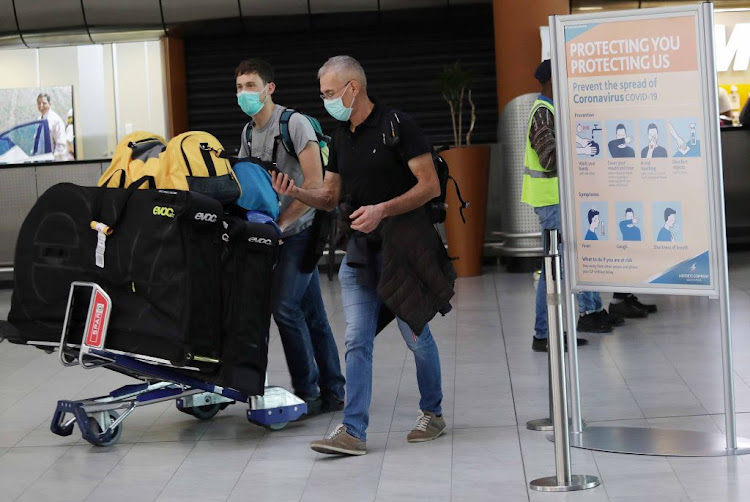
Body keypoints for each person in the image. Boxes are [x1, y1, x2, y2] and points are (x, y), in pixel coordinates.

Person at [271, 55, 454, 456]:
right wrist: (297, 192)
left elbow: (429, 187)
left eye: (331, 93)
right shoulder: (340, 136)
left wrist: (382, 209)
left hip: (403, 252)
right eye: (323, 94)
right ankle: (353, 430)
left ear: (353, 88)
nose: (326, 101)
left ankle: (433, 412)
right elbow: (331, 195)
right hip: (360, 253)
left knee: (417, 336)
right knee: (356, 339)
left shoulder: (397, 126)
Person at [235, 58, 345, 415]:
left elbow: (315, 184)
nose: (244, 93)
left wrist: (279, 226)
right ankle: (334, 390)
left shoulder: (293, 124)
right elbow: (247, 186)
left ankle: (308, 391)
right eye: (239, 87)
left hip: (303, 229)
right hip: (274, 234)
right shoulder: (248, 133)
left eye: (251, 85)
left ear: (269, 89)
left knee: (284, 307)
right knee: (311, 312)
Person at [521, 60, 619, 353]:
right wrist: (581, 148)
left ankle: (552, 329)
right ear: (551, 81)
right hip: (551, 201)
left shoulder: (553, 110)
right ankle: (544, 333)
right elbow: (549, 158)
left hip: (557, 199)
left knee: (559, 265)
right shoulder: (542, 112)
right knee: (554, 268)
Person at [36, 93, 72, 161]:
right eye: (39, 103)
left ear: (50, 104)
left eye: (44, 103)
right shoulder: (38, 120)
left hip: (52, 161)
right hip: (41, 161)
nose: (41, 106)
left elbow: (61, 144)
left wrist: (54, 162)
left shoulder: (55, 120)